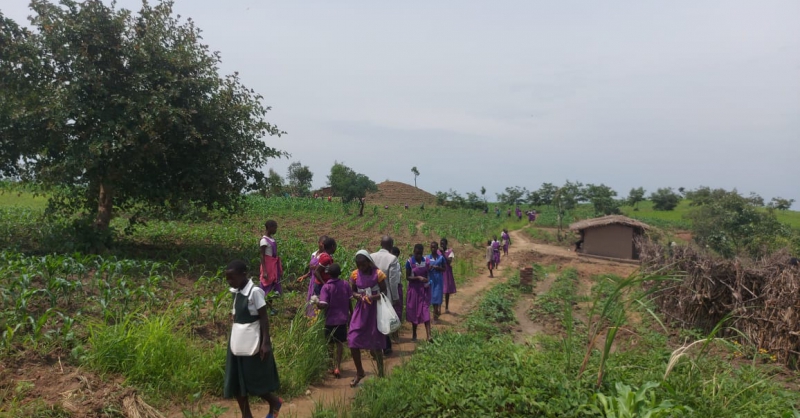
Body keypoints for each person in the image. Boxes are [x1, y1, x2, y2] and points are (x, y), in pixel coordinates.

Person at [223, 261, 282, 418]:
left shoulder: (254, 292)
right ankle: (246, 415)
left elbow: (263, 318)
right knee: (236, 381)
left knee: (254, 380)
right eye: (227, 278)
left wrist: (265, 343)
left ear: (243, 274)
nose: (230, 282)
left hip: (253, 342)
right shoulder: (236, 292)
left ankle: (274, 402)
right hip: (236, 342)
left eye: (232, 278)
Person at [348, 250, 388, 387]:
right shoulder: (354, 274)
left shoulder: (378, 274)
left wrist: (372, 297)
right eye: (359, 265)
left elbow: (384, 292)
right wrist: (358, 296)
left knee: (376, 343)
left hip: (375, 310)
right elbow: (352, 291)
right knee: (352, 340)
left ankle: (381, 373)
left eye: (363, 265)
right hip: (361, 310)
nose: (361, 268)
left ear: (369, 262)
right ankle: (360, 372)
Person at [315, 263, 351, 379]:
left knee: (330, 344)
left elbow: (324, 305)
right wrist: (351, 313)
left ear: (328, 274)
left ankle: (331, 366)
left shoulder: (326, 287)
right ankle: (338, 366)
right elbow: (350, 301)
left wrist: (316, 303)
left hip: (330, 320)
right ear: (339, 273)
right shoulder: (345, 284)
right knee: (340, 343)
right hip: (342, 319)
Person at [371, 236, 402, 355]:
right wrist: (395, 297)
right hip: (386, 293)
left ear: (380, 244)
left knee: (375, 319)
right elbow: (393, 281)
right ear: (391, 245)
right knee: (385, 319)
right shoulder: (392, 259)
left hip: (373, 293)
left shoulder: (371, 256)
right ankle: (386, 346)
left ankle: (376, 347)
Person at [405, 244, 432, 342]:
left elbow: (428, 273)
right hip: (413, 290)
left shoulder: (426, 261)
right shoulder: (409, 262)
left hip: (423, 290)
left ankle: (429, 335)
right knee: (414, 311)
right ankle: (414, 333)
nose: (418, 256)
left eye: (420, 254)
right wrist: (418, 278)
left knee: (425, 311)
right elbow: (407, 277)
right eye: (417, 254)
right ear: (414, 252)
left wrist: (427, 280)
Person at [296, 235, 327, 317]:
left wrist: (317, 268)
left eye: (325, 244)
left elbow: (326, 270)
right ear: (318, 243)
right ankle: (310, 318)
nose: (323, 245)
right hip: (312, 281)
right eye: (322, 243)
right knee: (311, 299)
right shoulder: (314, 254)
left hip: (320, 281)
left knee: (318, 299)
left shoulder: (325, 256)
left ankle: (317, 318)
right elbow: (311, 272)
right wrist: (303, 277)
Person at [259, 220, 282, 315]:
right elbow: (262, 256)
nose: (276, 229)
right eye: (275, 227)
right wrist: (264, 271)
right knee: (266, 286)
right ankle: (267, 308)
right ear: (269, 227)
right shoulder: (264, 241)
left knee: (272, 286)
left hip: (273, 265)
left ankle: (270, 308)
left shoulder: (271, 239)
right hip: (268, 265)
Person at [426, 241, 446, 321]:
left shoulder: (441, 258)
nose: (433, 248)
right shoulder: (427, 258)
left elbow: (444, 269)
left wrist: (438, 268)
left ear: (437, 248)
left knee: (438, 295)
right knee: (433, 296)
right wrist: (428, 268)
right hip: (431, 279)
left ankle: (437, 309)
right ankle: (435, 313)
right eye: (432, 247)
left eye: (434, 247)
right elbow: (424, 268)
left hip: (438, 279)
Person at [439, 238, 456, 313]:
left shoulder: (450, 252)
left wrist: (443, 254)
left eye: (443, 243)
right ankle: (439, 308)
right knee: (439, 290)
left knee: (446, 290)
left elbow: (449, 262)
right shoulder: (437, 252)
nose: (442, 245)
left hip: (446, 272)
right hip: (439, 272)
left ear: (446, 244)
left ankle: (446, 307)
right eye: (441, 243)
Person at [390, 246, 404, 324]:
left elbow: (394, 280)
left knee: (395, 309)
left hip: (395, 287)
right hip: (396, 287)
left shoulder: (395, 263)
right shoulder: (395, 263)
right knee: (396, 309)